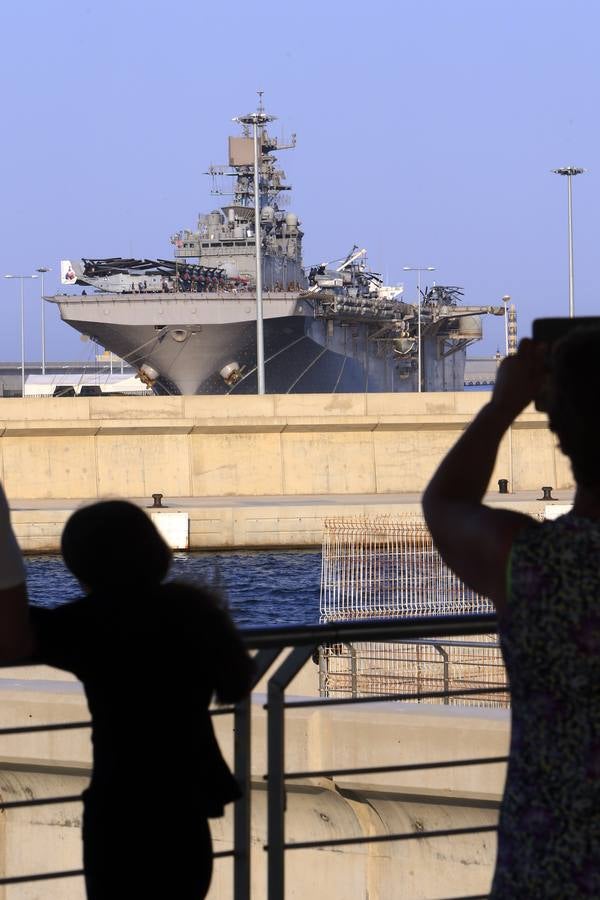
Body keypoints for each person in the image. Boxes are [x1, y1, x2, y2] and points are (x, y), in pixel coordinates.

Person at [422, 331, 600, 897]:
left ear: (560, 433)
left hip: (549, 860)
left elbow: (444, 504)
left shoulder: (536, 562)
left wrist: (504, 404)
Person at [24, 500, 253, 899]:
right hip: (185, 815)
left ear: (79, 565)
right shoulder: (191, 611)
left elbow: (17, 631)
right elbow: (236, 682)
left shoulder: (88, 623)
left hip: (122, 814)